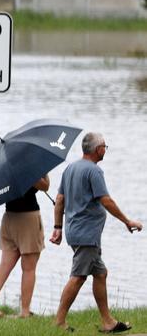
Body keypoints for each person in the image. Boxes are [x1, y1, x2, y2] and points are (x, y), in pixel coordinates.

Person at [50, 132, 142, 333]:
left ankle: (108, 322)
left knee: (100, 274)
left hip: (75, 231)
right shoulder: (94, 171)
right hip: (86, 234)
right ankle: (58, 322)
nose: (105, 150)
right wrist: (127, 221)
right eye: (105, 147)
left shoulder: (70, 168)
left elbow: (59, 200)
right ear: (98, 149)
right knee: (78, 277)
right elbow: (106, 200)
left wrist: (58, 228)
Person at [0, 175, 49, 318]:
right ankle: (25, 311)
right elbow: (45, 186)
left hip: (9, 217)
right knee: (29, 268)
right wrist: (40, 173)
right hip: (28, 218)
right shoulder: (31, 162)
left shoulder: (5, 166)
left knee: (4, 265)